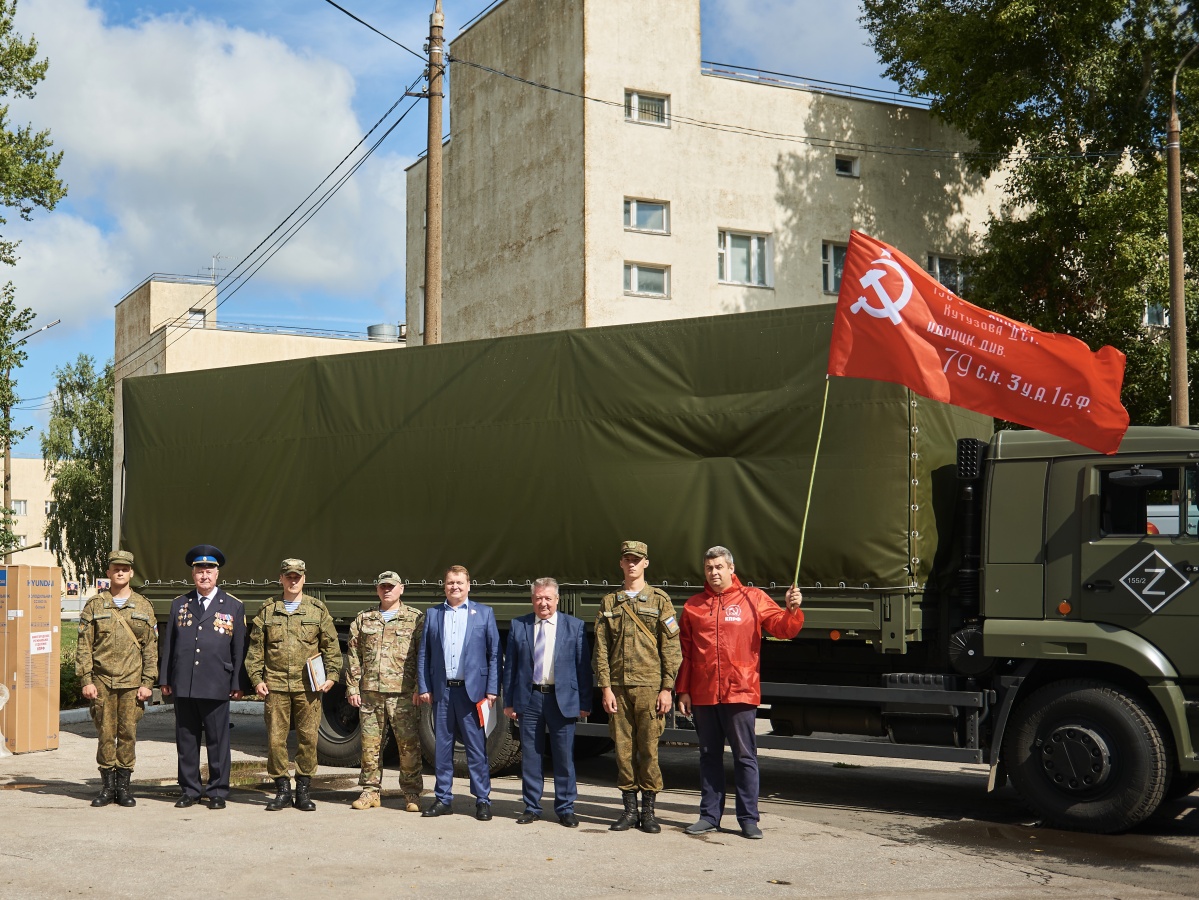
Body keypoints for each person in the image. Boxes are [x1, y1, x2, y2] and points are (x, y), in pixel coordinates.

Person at [676, 545, 804, 839]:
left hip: (740, 691)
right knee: (708, 756)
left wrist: (792, 609)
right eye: (709, 568)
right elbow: (686, 654)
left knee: (745, 756)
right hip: (704, 693)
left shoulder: (753, 598)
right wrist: (683, 690)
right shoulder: (693, 606)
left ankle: (748, 818)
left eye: (719, 567)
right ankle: (709, 815)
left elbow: (784, 629)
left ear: (731, 569)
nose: (714, 573)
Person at [593, 540, 680, 833]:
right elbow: (601, 649)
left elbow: (671, 647)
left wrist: (667, 688)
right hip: (618, 687)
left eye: (637, 559)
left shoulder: (659, 601)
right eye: (627, 559)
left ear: (646, 563)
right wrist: (605, 687)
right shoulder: (609, 603)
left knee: (649, 751)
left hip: (649, 688)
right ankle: (629, 811)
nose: (631, 563)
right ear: (620, 563)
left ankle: (649, 813)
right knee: (623, 751)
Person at [245, 558, 341, 812]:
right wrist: (256, 679)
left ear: (304, 579)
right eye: (289, 575)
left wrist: (332, 676)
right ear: (281, 578)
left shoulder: (316, 610)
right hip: (275, 686)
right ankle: (282, 790)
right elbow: (256, 649)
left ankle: (303, 790)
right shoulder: (268, 610)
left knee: (308, 739)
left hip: (308, 688)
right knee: (276, 740)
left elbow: (331, 645)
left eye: (298, 576)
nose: (293, 579)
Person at [158, 544, 246, 810]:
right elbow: (169, 645)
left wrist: (237, 683)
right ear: (193, 575)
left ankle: (218, 790)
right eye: (199, 571)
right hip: (184, 683)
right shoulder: (179, 604)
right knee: (186, 740)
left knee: (218, 742)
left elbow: (238, 649)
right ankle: (190, 789)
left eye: (209, 570)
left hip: (217, 683)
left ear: (217, 574)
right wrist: (165, 679)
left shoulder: (233, 606)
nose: (204, 575)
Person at [502, 577, 593, 827]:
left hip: (562, 700)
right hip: (529, 699)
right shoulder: (519, 626)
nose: (543, 603)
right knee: (531, 755)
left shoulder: (573, 626)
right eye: (538, 598)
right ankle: (532, 807)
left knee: (564, 756)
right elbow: (510, 667)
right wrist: (508, 702)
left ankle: (565, 808)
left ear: (557, 600)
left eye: (548, 598)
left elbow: (583, 668)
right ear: (532, 600)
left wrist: (584, 702)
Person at [416, 564, 501, 820]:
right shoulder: (432, 614)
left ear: (468, 585)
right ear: (444, 586)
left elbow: (494, 654)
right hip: (443, 693)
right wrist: (424, 687)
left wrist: (491, 689)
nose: (455, 587)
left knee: (476, 750)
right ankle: (443, 799)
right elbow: (424, 654)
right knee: (442, 750)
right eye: (450, 582)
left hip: (472, 694)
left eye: (460, 583)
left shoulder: (483, 614)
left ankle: (483, 800)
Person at [76, 550, 157, 808]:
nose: (120, 572)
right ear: (109, 572)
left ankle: (123, 788)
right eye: (116, 568)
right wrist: (85, 680)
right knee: (105, 735)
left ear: (131, 572)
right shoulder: (94, 605)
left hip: (132, 684)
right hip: (101, 682)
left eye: (125, 568)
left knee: (128, 734)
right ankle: (107, 788)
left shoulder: (144, 606)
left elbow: (150, 649)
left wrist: (147, 684)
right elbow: (84, 646)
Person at [346, 570, 425, 812]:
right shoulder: (364, 618)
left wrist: (418, 688)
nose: (387, 590)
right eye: (383, 586)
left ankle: (412, 794)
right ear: (377, 590)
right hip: (370, 693)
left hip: (403, 694)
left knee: (408, 745)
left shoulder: (415, 619)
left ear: (402, 589)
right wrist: (352, 686)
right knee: (370, 744)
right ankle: (370, 791)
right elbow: (353, 655)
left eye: (392, 586)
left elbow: (424, 656)